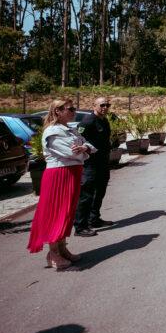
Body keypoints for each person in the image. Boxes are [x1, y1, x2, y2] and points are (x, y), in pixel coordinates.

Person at [27, 99, 96, 270]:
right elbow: (69, 152)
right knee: (56, 213)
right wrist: (83, 150)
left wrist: (84, 148)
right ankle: (53, 254)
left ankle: (62, 248)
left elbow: (89, 146)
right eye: (70, 108)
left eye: (74, 108)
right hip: (59, 175)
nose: (74, 111)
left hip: (72, 173)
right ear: (57, 111)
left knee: (67, 213)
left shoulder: (70, 128)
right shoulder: (52, 130)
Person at [74, 97, 114, 236]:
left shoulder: (103, 120)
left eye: (107, 105)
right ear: (94, 105)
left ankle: (94, 219)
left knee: (100, 191)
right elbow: (78, 138)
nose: (105, 107)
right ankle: (80, 226)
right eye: (102, 105)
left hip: (103, 162)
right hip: (90, 163)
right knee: (86, 194)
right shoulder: (88, 121)